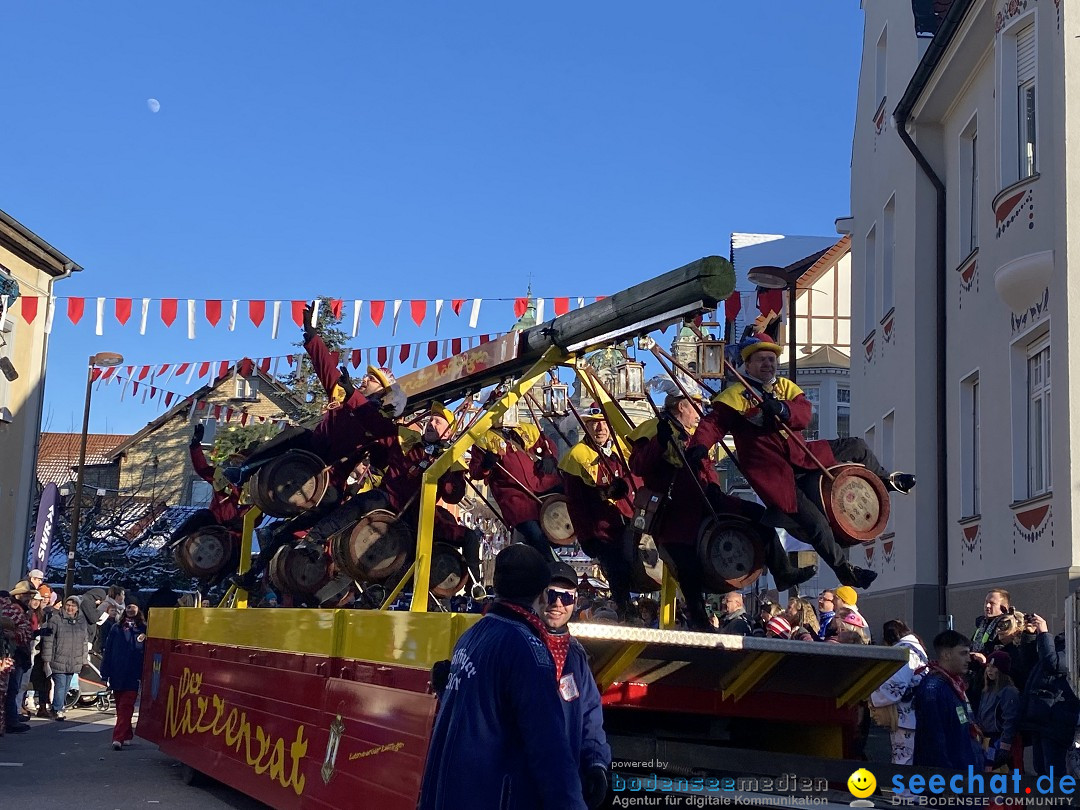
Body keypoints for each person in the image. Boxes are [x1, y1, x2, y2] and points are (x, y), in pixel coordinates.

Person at [689, 334, 914, 591]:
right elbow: (713, 424)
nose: (768, 364)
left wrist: (783, 410)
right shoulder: (735, 395)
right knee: (816, 523)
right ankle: (845, 571)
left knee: (857, 446)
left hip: (805, 455)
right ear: (747, 364)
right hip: (775, 476)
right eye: (761, 359)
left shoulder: (785, 387)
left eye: (772, 359)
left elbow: (804, 414)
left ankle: (887, 480)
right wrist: (699, 447)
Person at [627, 387, 814, 630]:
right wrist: (659, 442)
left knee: (759, 516)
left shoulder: (694, 434)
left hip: (706, 498)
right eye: (695, 406)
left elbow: (706, 466)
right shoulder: (654, 429)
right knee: (688, 568)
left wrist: (714, 486)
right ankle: (699, 620)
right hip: (675, 513)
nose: (699, 412)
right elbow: (639, 466)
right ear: (682, 405)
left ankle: (783, 571)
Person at [418, 545, 587, 810]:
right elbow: (548, 746)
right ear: (542, 594)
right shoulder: (525, 648)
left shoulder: (472, 637)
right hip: (492, 796)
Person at [541, 562, 611, 809]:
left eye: (565, 597)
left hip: (564, 783)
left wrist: (595, 763)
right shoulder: (518, 643)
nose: (557, 604)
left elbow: (590, 714)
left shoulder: (574, 654)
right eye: (551, 594)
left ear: (575, 601)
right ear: (538, 595)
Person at [559, 410, 638, 618]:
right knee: (616, 565)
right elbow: (575, 503)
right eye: (594, 423)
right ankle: (624, 607)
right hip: (602, 530)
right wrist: (586, 536)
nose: (600, 428)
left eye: (604, 422)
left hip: (630, 520)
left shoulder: (625, 450)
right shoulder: (576, 456)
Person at [470, 421, 562, 559]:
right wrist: (486, 465)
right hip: (513, 496)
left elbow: (548, 445)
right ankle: (551, 563)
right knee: (533, 531)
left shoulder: (525, 429)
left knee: (569, 490)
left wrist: (549, 457)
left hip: (540, 483)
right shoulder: (483, 439)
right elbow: (475, 472)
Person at [1018, 613, 1080, 777]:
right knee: (1042, 771)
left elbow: (1052, 664)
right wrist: (1031, 636)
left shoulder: (1076, 647)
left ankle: (1062, 803)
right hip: (1042, 718)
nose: (1065, 620)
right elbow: (1031, 664)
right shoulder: (1061, 642)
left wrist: (1044, 633)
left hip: (1058, 719)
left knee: (1055, 775)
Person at [912, 630, 983, 770]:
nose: (969, 659)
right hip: (947, 779)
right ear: (946, 655)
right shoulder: (933, 689)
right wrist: (945, 782)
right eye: (963, 653)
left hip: (964, 773)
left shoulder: (955, 684)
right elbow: (932, 740)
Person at [869, 619, 928, 765]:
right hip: (915, 712)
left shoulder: (905, 652)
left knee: (903, 760)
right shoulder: (916, 648)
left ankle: (903, 788)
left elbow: (896, 686)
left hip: (907, 716)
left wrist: (871, 695)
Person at [100, 603, 147, 751]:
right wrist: (105, 672)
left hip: (133, 673)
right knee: (120, 707)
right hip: (117, 672)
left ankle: (118, 737)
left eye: (134, 607)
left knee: (126, 706)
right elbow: (109, 651)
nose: (131, 610)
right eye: (128, 607)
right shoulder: (117, 628)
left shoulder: (143, 629)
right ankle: (127, 734)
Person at [40, 596, 91, 721]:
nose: (70, 608)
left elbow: (84, 642)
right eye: (68, 605)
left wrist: (84, 660)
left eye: (73, 606)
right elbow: (48, 641)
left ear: (78, 608)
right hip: (58, 658)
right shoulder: (56, 620)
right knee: (60, 685)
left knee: (67, 686)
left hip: (74, 660)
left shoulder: (81, 622)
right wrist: (46, 660)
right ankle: (57, 709)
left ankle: (58, 707)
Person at [977, 650, 1021, 772]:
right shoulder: (986, 690)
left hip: (1000, 741)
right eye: (988, 667)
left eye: (994, 667)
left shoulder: (1009, 691)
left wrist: (1005, 746)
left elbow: (1011, 720)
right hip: (986, 740)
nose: (989, 670)